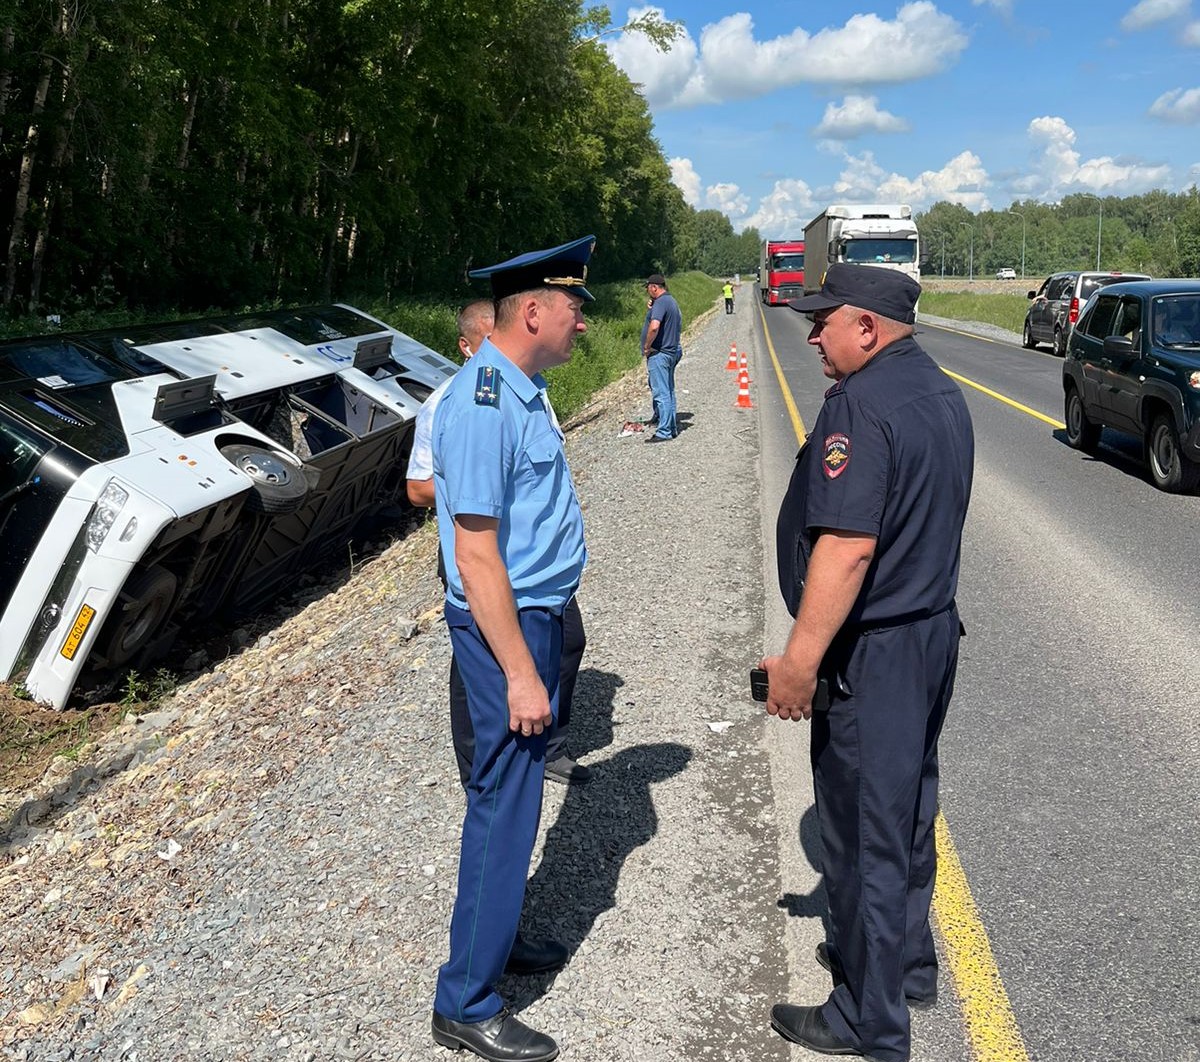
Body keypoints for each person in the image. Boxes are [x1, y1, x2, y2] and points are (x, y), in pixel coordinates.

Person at [760, 264, 974, 1062]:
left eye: (824, 321)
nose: (812, 334)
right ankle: (903, 967)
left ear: (870, 327)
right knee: (910, 814)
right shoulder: (937, 389)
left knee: (862, 835)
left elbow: (847, 549)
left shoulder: (861, 403)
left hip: (875, 650)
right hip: (928, 637)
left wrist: (799, 660)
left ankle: (867, 1020)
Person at [429, 235, 594, 1062]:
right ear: (533, 311)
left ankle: (493, 942)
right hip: (507, 629)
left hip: (528, 615)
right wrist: (524, 672)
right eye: (573, 310)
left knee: (516, 798)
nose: (581, 326)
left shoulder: (518, 390)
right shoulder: (486, 403)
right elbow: (477, 555)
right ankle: (465, 999)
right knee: (505, 801)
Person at [406, 302, 591, 788]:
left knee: (569, 642)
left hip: (534, 564)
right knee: (479, 670)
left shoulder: (527, 387)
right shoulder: (457, 402)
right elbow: (418, 487)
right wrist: (475, 488)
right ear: (469, 346)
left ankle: (546, 745)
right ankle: (481, 768)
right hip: (487, 559)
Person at [641, 273, 683, 442]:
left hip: (660, 353)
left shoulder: (661, 303)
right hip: (671, 351)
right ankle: (671, 428)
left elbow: (654, 327)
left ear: (654, 287)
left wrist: (647, 346)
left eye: (648, 288)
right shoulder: (671, 301)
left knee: (661, 393)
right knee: (669, 391)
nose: (647, 291)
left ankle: (664, 431)